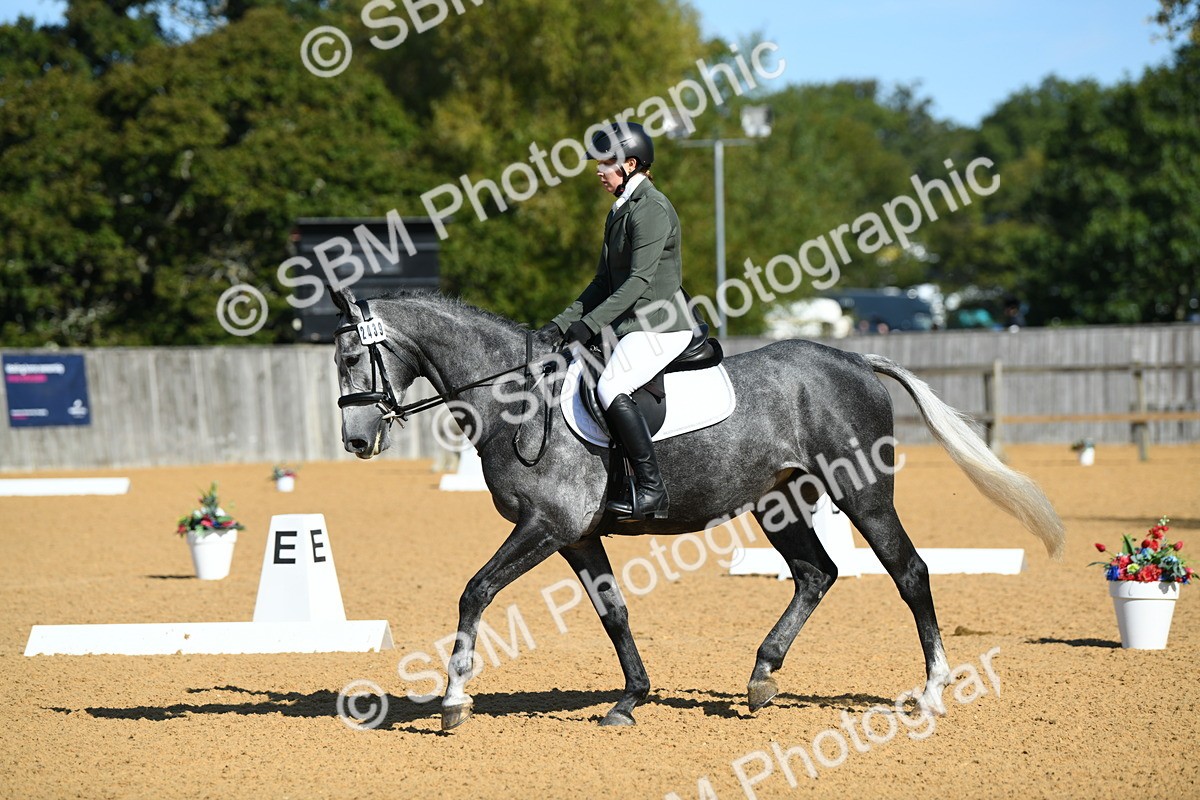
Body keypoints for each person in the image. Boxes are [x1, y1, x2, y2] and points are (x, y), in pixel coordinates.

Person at [537, 122, 695, 521]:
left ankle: (652, 489)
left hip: (660, 325)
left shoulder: (652, 208)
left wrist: (589, 325)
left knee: (611, 386)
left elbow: (638, 282)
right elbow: (602, 282)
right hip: (629, 324)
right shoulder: (620, 209)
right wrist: (560, 324)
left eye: (605, 163)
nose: (598, 170)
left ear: (630, 164)